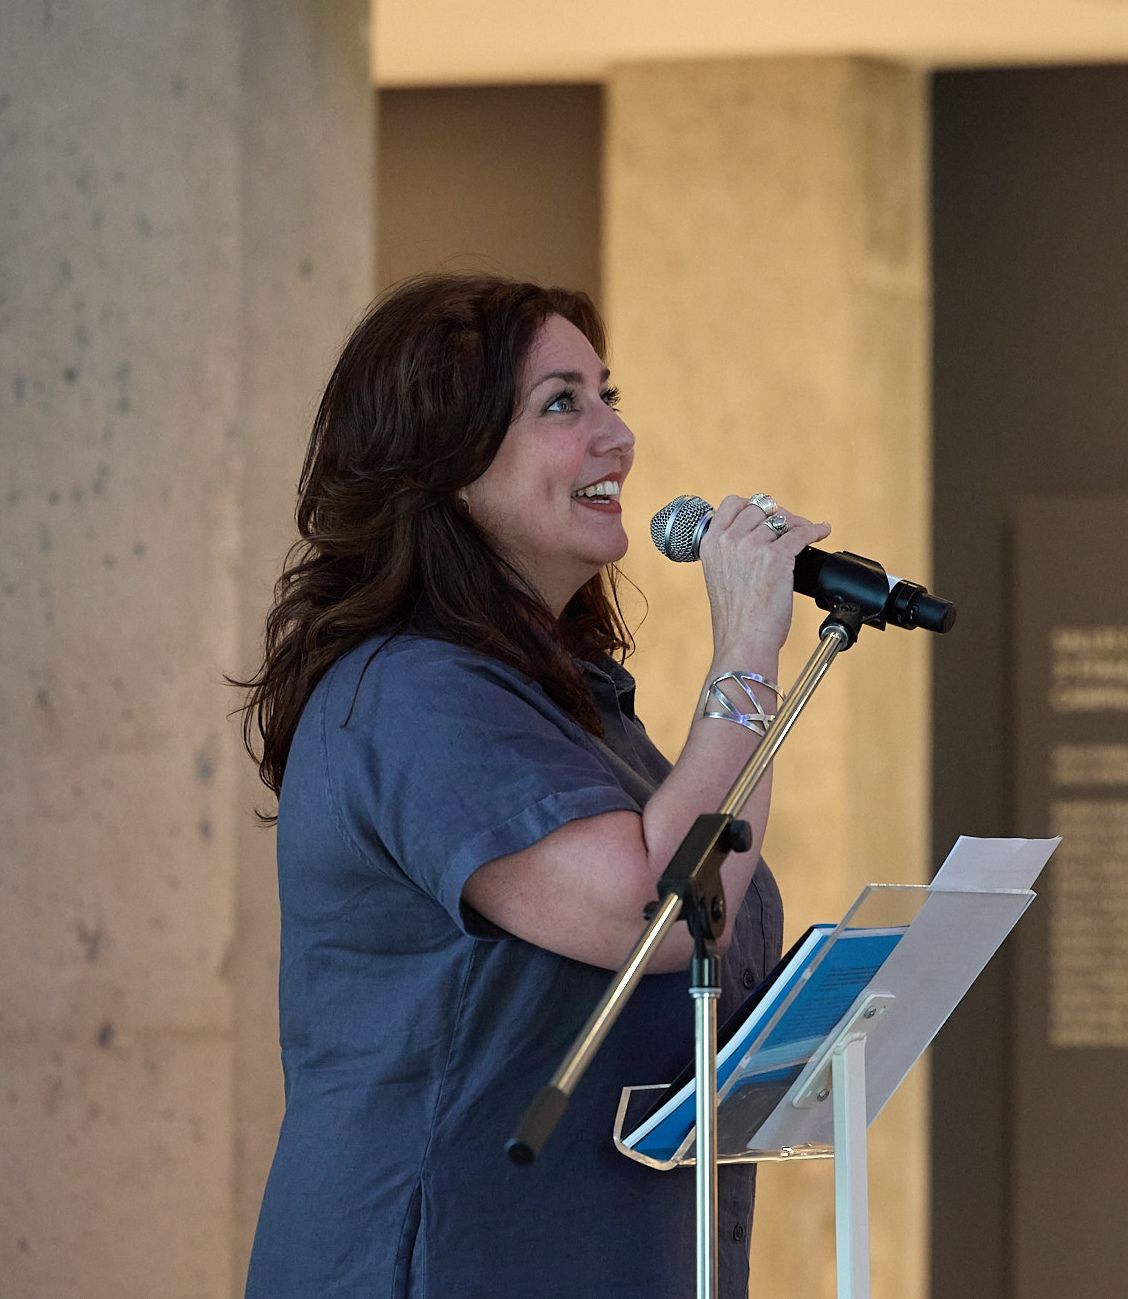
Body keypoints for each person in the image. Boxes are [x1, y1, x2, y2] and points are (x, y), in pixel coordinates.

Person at [237, 273, 831, 1298]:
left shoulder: (579, 707)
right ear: (445, 464)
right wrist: (747, 650)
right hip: (444, 1264)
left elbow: (705, 916)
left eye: (609, 395)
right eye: (563, 403)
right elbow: (660, 912)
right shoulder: (410, 695)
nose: (618, 438)